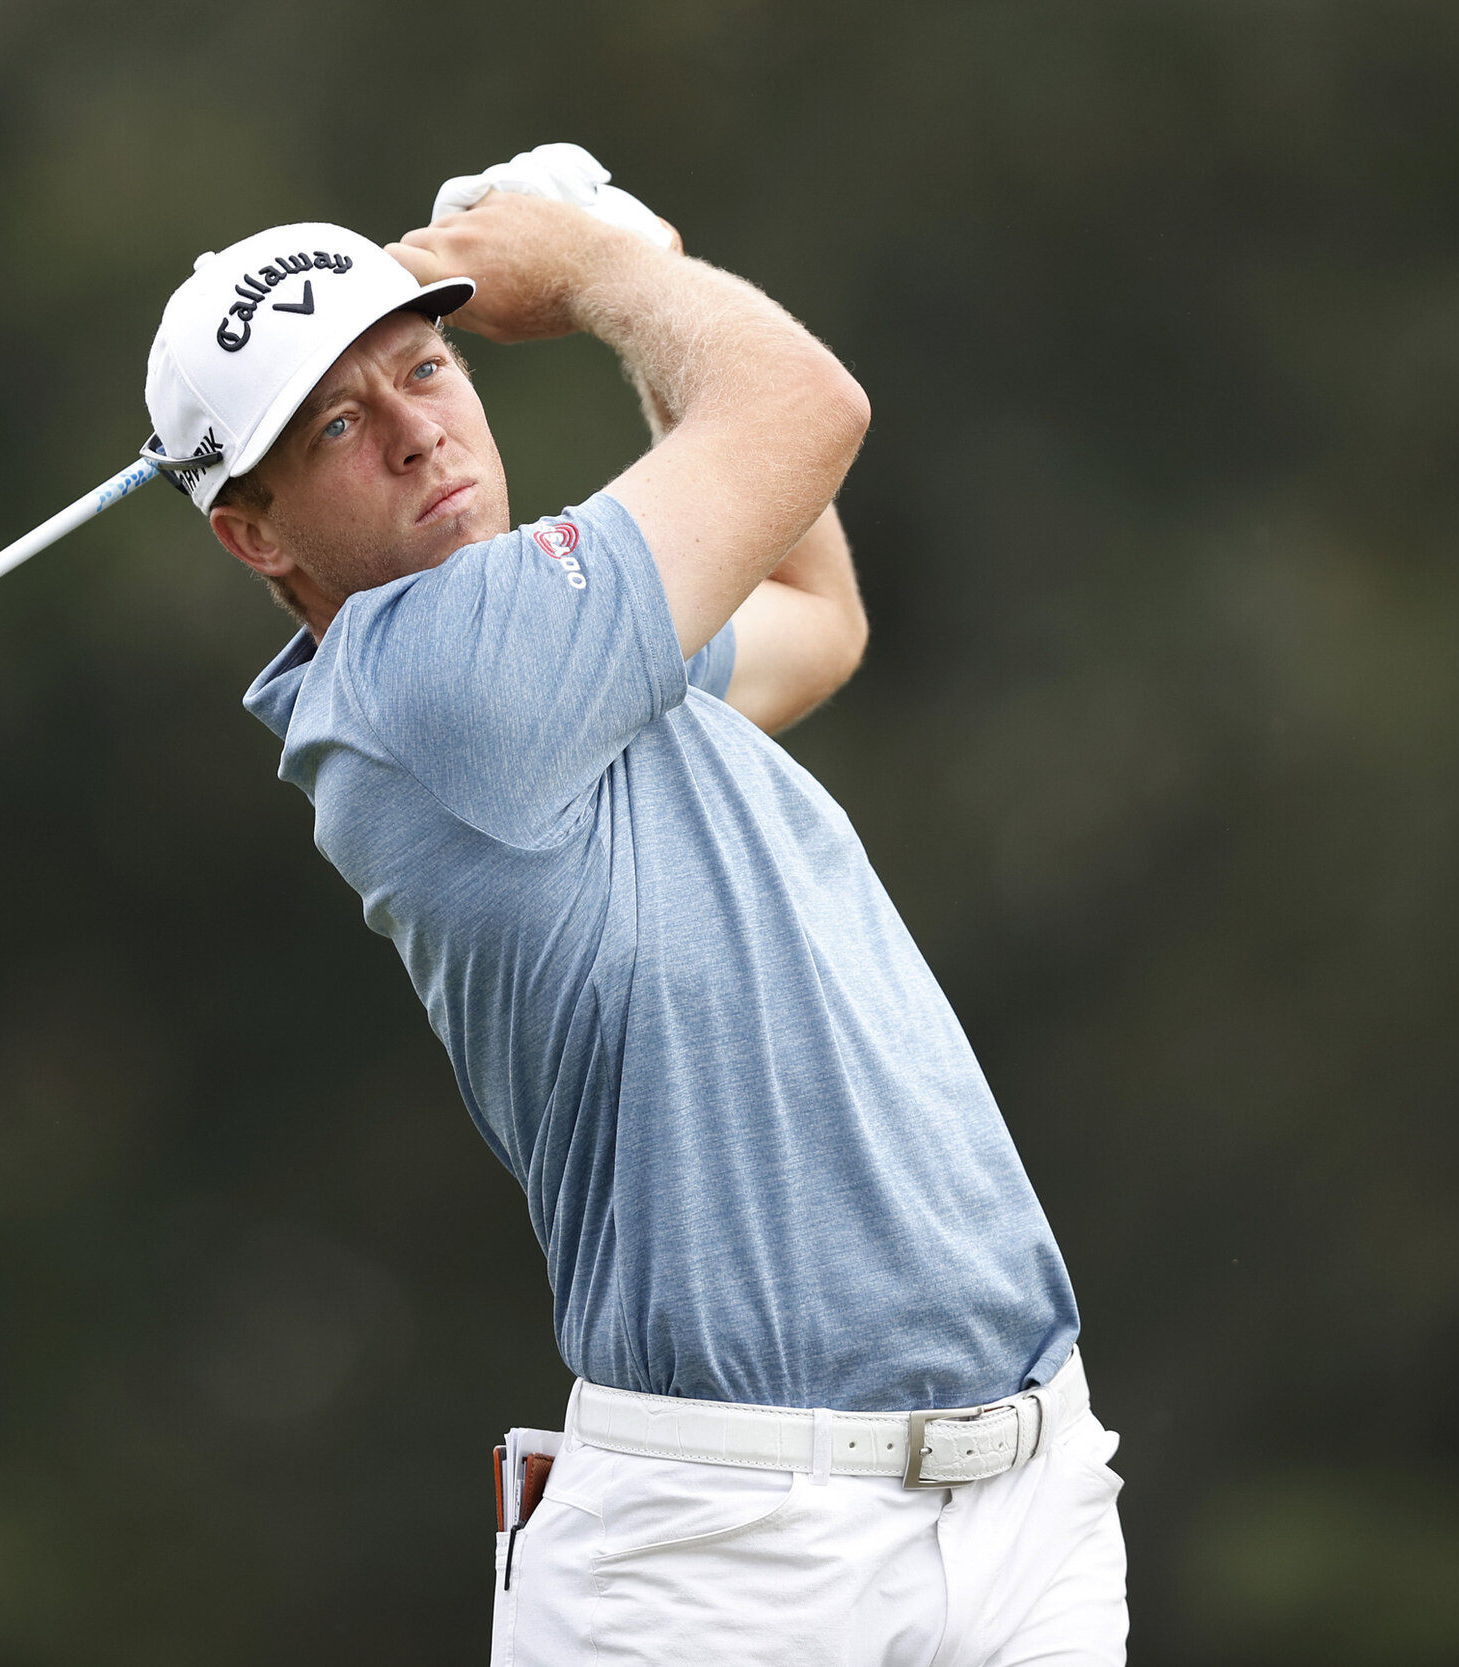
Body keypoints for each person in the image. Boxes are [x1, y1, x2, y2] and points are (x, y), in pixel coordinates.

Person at [140, 151, 1127, 1665]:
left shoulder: (564, 655)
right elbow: (811, 413)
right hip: (730, 1560)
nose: (416, 432)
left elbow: (813, 618)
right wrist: (609, 275)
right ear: (255, 534)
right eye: (340, 423)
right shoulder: (447, 679)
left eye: (424, 366)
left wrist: (640, 271)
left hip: (1024, 1492)